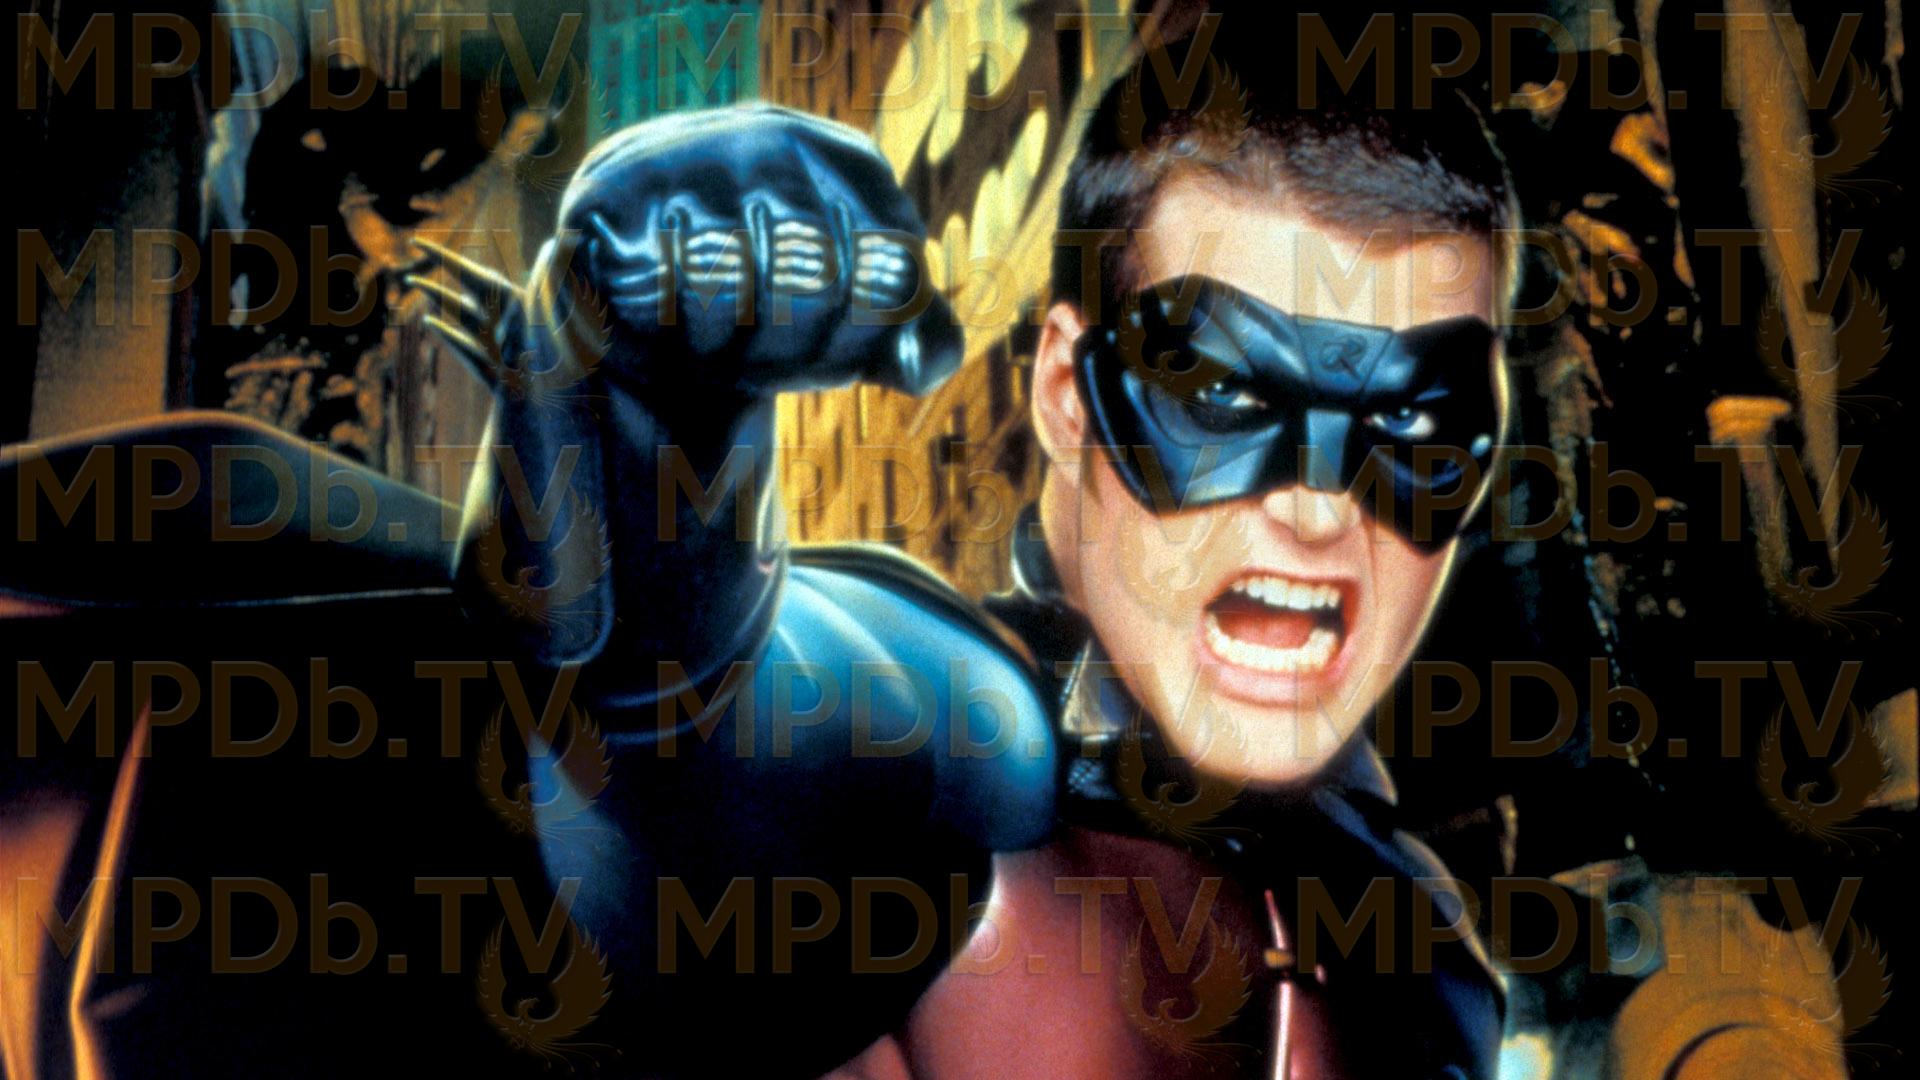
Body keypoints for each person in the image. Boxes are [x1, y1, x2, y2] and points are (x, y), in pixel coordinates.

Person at [406, 30, 1516, 1078]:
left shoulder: (1404, 921)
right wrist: (639, 416)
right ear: (1066, 395)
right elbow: (681, 725)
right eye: (1224, 395)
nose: (1319, 509)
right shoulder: (964, 751)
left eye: (1413, 422)